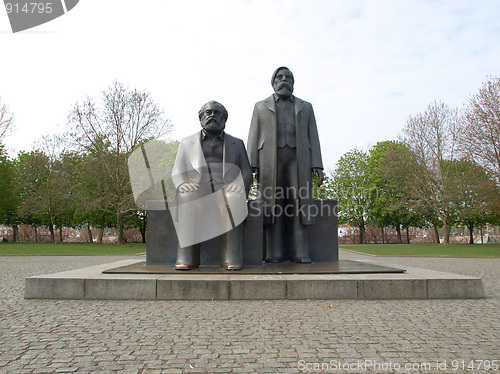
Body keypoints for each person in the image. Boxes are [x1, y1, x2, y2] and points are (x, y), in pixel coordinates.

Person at [247, 67, 323, 263]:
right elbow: (253, 136)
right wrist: (251, 165)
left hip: (300, 159)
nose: (284, 80)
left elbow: (313, 136)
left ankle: (300, 252)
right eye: (279, 77)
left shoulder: (306, 107)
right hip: (269, 161)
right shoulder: (260, 106)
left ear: (293, 82)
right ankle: (274, 252)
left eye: (288, 77)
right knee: (272, 205)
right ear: (273, 82)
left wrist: (318, 165)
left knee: (300, 204)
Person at [172, 101, 252, 270]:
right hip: (197, 189)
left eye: (217, 113)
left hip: (225, 189)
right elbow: (178, 172)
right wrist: (182, 184)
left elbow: (246, 172)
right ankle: (186, 257)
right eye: (208, 112)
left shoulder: (237, 143)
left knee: (234, 198)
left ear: (225, 118)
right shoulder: (187, 143)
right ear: (201, 117)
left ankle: (231, 257)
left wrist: (240, 186)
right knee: (187, 196)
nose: (212, 116)